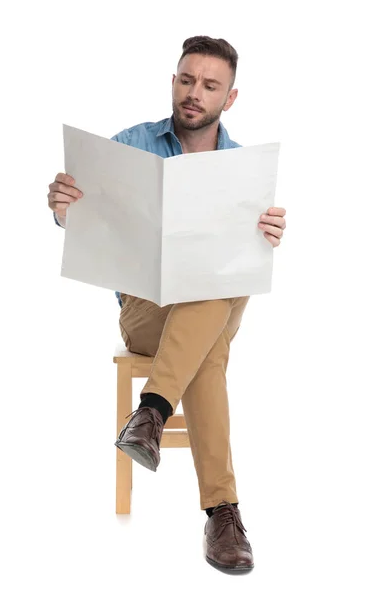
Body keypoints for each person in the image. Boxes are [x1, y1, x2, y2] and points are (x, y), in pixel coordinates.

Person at [47, 35, 287, 574]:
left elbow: (245, 264)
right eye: (186, 80)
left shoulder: (242, 168)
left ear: (231, 97)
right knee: (209, 351)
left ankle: (148, 417)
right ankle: (222, 514)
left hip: (212, 301)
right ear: (173, 81)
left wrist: (265, 237)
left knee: (216, 281)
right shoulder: (130, 143)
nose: (194, 93)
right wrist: (64, 211)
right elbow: (83, 224)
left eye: (209, 85)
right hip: (144, 310)